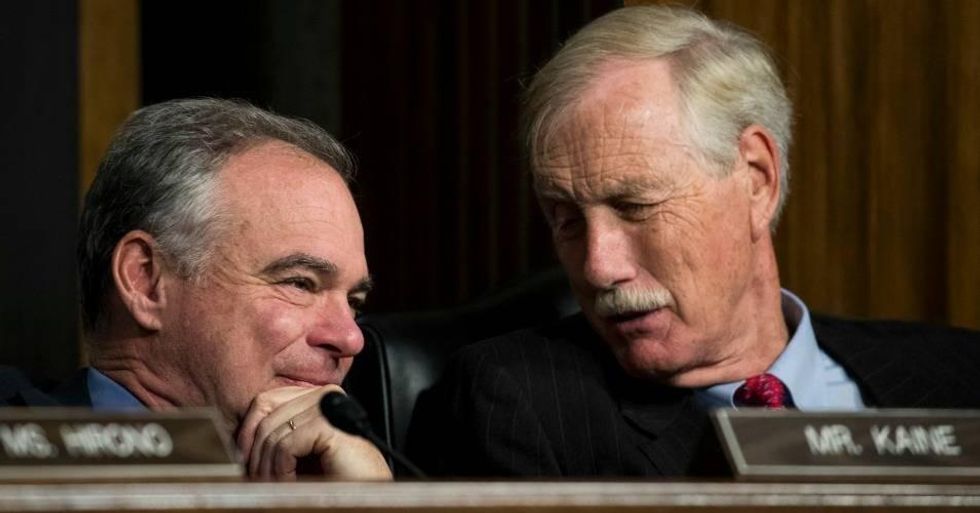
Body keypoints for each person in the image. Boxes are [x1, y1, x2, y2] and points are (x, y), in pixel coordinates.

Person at [409, 5, 980, 477]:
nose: (599, 266)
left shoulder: (957, 376)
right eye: (567, 219)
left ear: (756, 178)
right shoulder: (516, 404)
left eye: (635, 207)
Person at [1, 98, 391, 481]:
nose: (351, 337)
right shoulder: (14, 451)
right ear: (147, 281)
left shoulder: (344, 473)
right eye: (300, 283)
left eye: (354, 301)